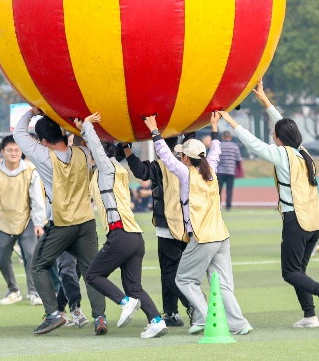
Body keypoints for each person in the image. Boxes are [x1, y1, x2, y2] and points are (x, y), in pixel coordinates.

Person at [223, 79, 319, 329]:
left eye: (274, 134)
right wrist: (265, 101)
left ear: (279, 138)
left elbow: (254, 144)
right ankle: (309, 316)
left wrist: (229, 120)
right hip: (315, 222)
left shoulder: (281, 153)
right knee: (299, 272)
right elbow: (283, 124)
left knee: (290, 272)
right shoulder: (302, 151)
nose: (272, 136)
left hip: (296, 220)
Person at [144, 113, 252, 336]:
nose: (179, 156)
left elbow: (165, 156)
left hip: (202, 238)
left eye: (182, 154)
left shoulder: (186, 173)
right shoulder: (210, 169)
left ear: (186, 158)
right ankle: (239, 323)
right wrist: (214, 128)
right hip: (222, 236)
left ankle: (205, 317)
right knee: (222, 284)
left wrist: (155, 131)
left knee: (183, 279)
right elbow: (216, 151)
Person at [13, 108, 107, 336]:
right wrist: (76, 124)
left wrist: (32, 112)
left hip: (62, 223)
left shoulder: (44, 156)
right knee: (91, 271)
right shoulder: (83, 152)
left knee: (37, 265)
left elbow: (18, 133)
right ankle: (100, 317)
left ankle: (54, 314)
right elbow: (85, 140)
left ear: (44, 141)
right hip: (86, 221)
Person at [81, 113, 168, 339]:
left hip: (120, 234)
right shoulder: (118, 169)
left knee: (93, 276)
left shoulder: (107, 169)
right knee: (134, 287)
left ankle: (125, 302)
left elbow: (96, 148)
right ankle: (156, 321)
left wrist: (87, 125)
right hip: (135, 237)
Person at [125, 137, 193, 328]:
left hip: (167, 226)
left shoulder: (161, 165)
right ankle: (171, 312)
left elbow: (140, 171)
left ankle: (192, 304)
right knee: (180, 270)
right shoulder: (185, 163)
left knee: (170, 272)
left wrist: (126, 149)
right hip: (188, 225)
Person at [0, 135, 46, 306]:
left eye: (17, 150)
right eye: (9, 150)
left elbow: (37, 199)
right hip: (5, 222)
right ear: (2, 152)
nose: (13, 153)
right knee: (2, 258)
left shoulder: (30, 171)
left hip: (26, 220)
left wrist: (39, 223)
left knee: (31, 255)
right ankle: (13, 290)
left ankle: (33, 292)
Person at [217, 131, 242, 211]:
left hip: (220, 171)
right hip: (230, 171)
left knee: (218, 190)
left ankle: (218, 206)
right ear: (230, 137)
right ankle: (228, 206)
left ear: (222, 137)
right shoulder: (235, 146)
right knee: (229, 190)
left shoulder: (219, 146)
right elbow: (239, 159)